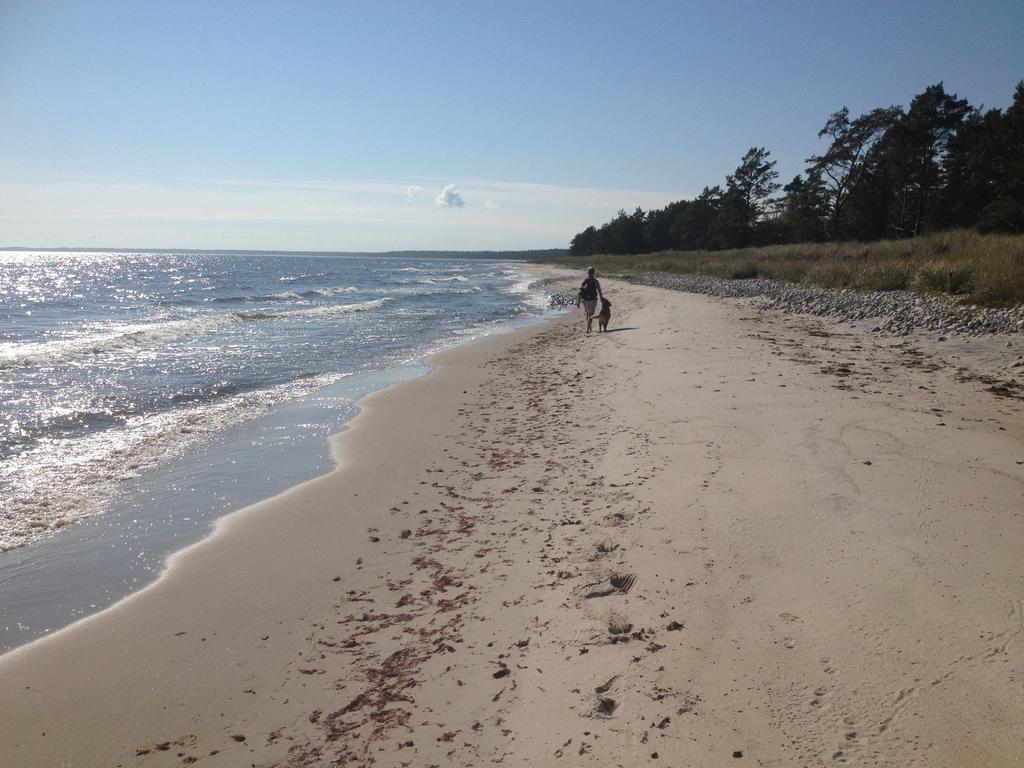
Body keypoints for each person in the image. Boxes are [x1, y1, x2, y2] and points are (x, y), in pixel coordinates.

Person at [577, 266, 604, 333]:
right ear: (594, 273)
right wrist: (601, 299)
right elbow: (599, 290)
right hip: (593, 300)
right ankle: (587, 329)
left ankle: (589, 327)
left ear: (587, 273)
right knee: (591, 315)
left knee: (588, 314)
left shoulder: (585, 281)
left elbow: (581, 292)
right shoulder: (595, 281)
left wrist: (578, 302)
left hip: (585, 300)